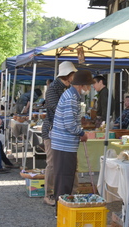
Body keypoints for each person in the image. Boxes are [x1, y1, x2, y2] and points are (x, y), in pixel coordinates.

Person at [50, 70, 95, 216]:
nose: (88, 89)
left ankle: (62, 210)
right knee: (64, 179)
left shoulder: (71, 95)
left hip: (63, 143)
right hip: (64, 144)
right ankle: (61, 212)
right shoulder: (71, 98)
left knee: (64, 178)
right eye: (88, 86)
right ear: (81, 85)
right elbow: (69, 124)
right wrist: (81, 133)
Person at [41, 61, 77, 206]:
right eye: (73, 74)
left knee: (71, 164)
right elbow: (58, 111)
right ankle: (49, 194)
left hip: (63, 132)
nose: (75, 77)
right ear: (68, 75)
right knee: (52, 164)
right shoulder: (53, 89)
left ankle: (71, 193)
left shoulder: (65, 88)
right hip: (51, 131)